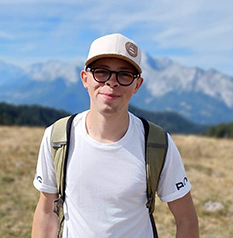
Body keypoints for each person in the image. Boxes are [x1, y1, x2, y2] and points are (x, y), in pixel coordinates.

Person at [31, 33, 199, 238]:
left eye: (125, 75)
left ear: (137, 85)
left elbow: (186, 219)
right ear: (85, 78)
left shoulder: (156, 143)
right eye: (101, 72)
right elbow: (47, 210)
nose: (111, 82)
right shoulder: (57, 138)